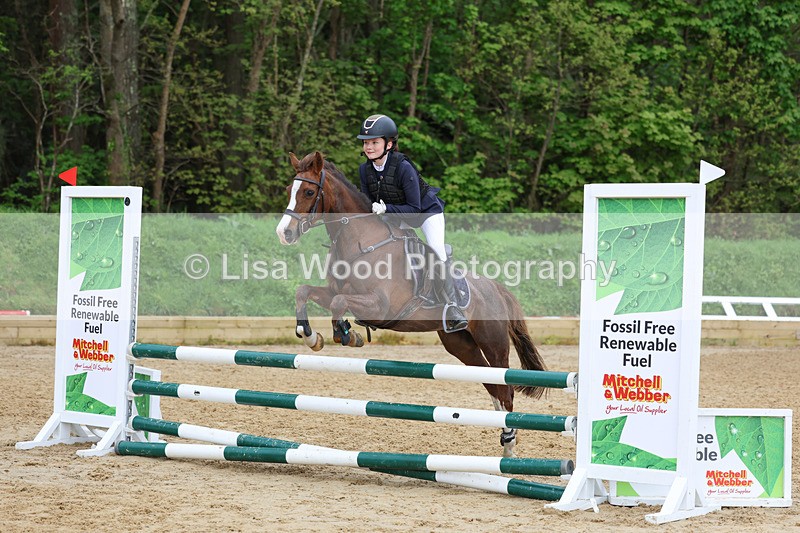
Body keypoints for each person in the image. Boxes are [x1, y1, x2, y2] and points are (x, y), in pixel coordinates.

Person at [356, 113, 468, 332]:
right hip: (395, 215)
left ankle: (453, 307)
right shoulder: (365, 170)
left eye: (374, 142)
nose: (369, 147)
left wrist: (386, 208)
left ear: (388, 144)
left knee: (435, 251)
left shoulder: (403, 167)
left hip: (425, 214)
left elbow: (415, 211)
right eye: (366, 142)